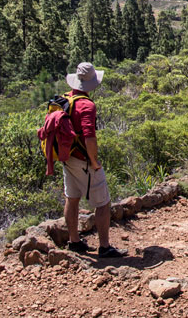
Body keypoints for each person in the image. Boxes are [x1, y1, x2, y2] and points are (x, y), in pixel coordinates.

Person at [62, 62, 121, 258]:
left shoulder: (65, 99)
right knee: (103, 202)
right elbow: (89, 137)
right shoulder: (86, 105)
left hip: (67, 157)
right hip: (82, 160)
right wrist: (94, 162)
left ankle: (74, 242)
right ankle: (104, 247)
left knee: (72, 198)